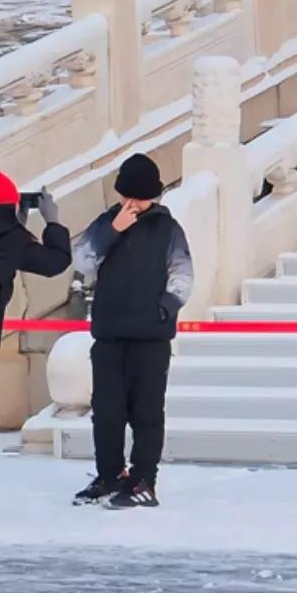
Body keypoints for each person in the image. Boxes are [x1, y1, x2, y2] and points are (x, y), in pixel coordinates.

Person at [72, 154, 193, 510]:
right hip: (109, 334)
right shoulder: (105, 223)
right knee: (106, 413)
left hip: (151, 339)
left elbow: (183, 276)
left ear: (153, 196)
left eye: (139, 198)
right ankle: (110, 474)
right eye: (128, 196)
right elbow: (82, 262)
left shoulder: (168, 229)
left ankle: (144, 479)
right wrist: (114, 231)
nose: (133, 204)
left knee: (147, 413)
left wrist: (163, 309)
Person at [0, 170, 71, 524]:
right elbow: (54, 262)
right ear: (10, 205)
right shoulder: (11, 239)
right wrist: (52, 223)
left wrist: (16, 226)